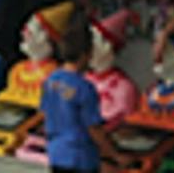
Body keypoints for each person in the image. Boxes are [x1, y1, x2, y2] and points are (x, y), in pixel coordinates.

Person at [40, 13, 117, 173]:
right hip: (80, 158)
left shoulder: (50, 80)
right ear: (85, 55)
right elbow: (94, 129)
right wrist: (114, 154)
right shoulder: (84, 88)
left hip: (56, 154)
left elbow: (44, 113)